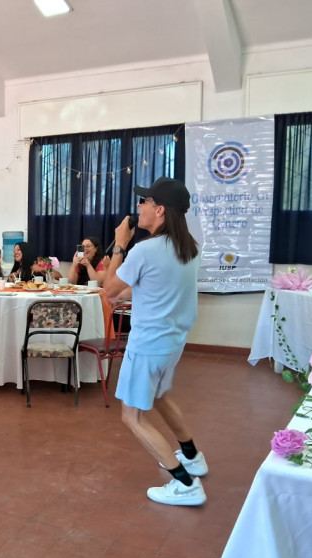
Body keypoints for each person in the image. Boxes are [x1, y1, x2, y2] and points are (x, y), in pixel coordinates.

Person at [103, 176, 206, 507]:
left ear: (159, 210)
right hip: (172, 342)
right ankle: (192, 455)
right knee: (160, 395)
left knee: (131, 417)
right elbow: (162, 285)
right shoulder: (187, 247)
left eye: (143, 202)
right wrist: (131, 293)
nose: (138, 208)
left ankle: (185, 483)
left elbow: (108, 291)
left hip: (148, 344)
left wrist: (120, 244)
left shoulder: (143, 250)